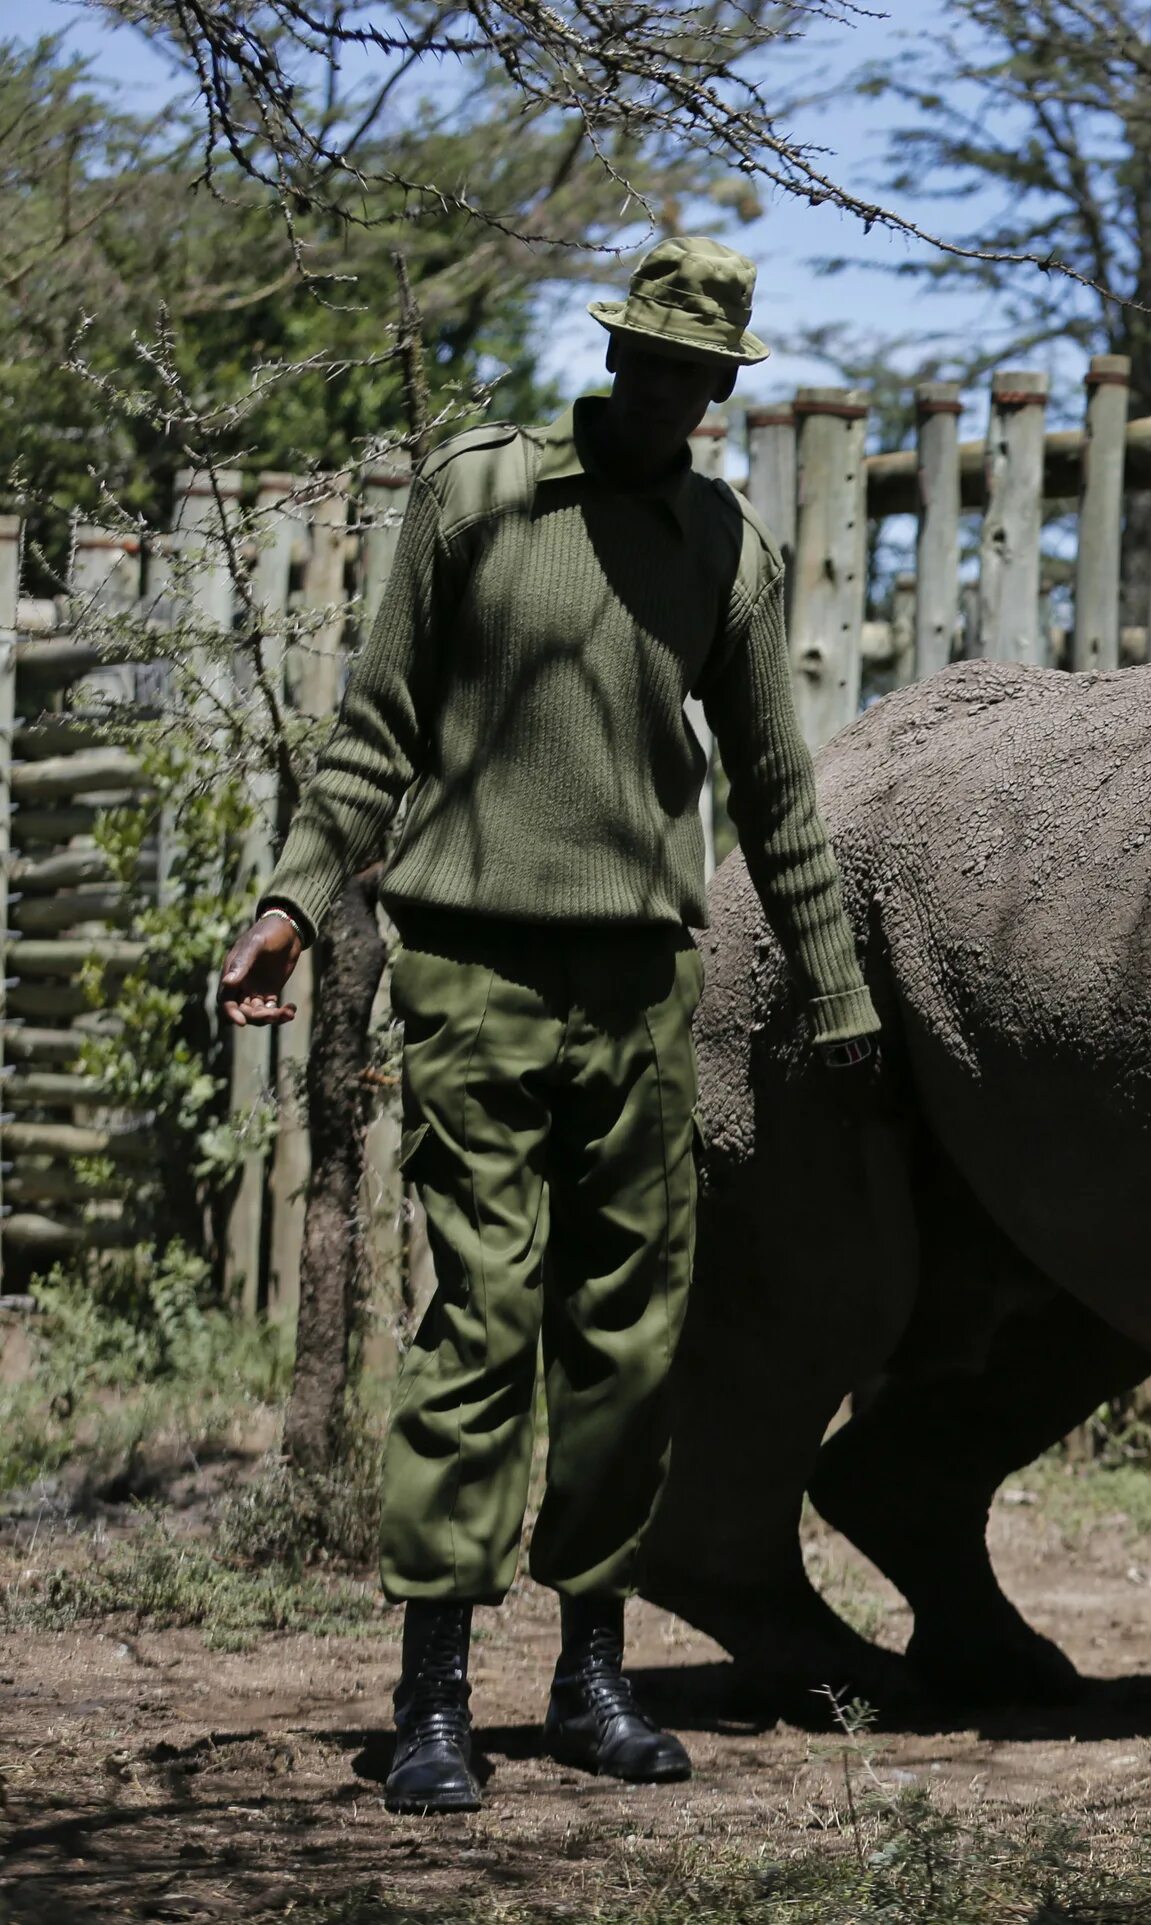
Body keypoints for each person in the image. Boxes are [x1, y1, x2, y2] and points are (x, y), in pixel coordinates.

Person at [216, 235, 877, 1816]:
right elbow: (374, 729)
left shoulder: (724, 550)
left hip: (644, 981)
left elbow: (778, 793)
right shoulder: (480, 497)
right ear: (613, 357)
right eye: (642, 360)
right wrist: (297, 902)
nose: (660, 391)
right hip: (477, 969)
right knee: (484, 1312)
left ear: (721, 392)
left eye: (690, 375)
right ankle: (434, 1688)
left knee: (631, 1335)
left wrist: (837, 984)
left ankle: (590, 1671)